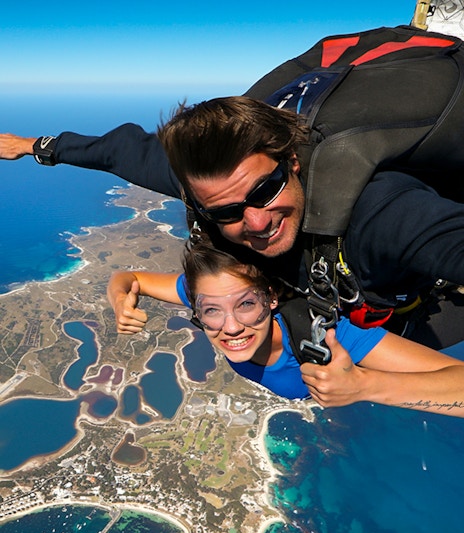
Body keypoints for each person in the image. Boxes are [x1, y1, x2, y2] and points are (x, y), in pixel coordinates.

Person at [3, 25, 464, 347]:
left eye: (265, 191)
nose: (257, 221)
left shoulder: (378, 212)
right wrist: (30, 146)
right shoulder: (206, 184)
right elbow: (118, 151)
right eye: (226, 213)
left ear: (293, 163)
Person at [107, 239, 464, 415]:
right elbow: (129, 277)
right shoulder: (211, 291)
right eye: (211, 310)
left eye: (247, 304)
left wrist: (366, 386)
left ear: (272, 298)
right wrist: (120, 300)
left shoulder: (324, 337)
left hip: (428, 317)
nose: (230, 327)